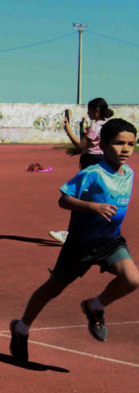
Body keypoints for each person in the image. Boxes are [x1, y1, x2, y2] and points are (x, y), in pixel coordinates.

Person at [9, 119, 138, 362]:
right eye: (119, 143)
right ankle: (21, 328)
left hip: (111, 241)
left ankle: (95, 306)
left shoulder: (129, 173)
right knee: (52, 289)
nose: (125, 149)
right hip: (81, 244)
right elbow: (63, 200)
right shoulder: (92, 173)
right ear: (103, 144)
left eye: (131, 144)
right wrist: (93, 206)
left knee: (132, 279)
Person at [50, 98, 116, 244]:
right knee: (95, 197)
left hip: (91, 162)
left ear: (96, 110)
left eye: (89, 109)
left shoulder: (95, 126)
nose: (88, 112)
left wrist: (68, 131)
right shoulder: (107, 125)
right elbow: (96, 146)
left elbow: (81, 144)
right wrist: (82, 151)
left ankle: (71, 234)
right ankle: (98, 232)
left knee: (78, 198)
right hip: (101, 161)